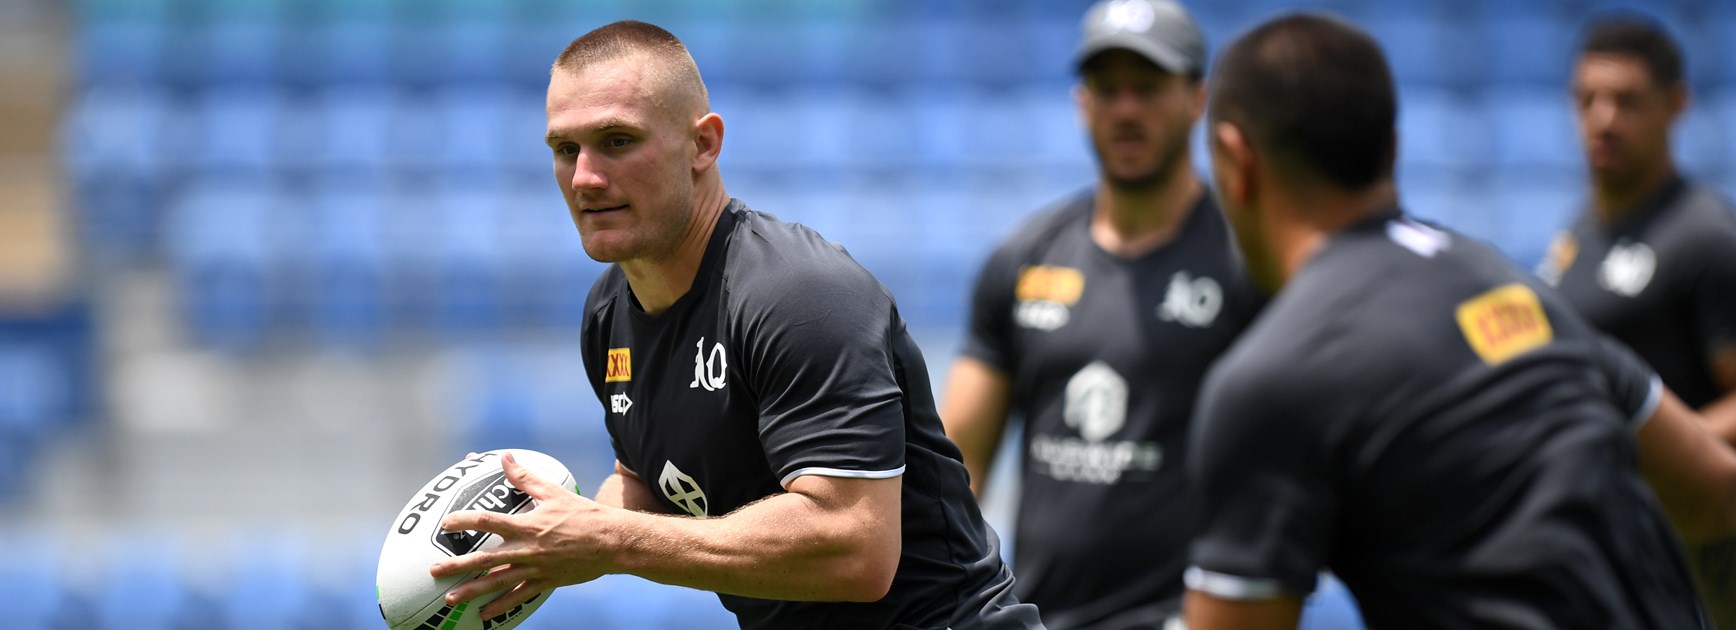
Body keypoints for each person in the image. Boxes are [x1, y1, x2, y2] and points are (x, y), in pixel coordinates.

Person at [426, 20, 1044, 630]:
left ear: (704, 144)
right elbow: (649, 484)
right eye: (566, 150)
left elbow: (856, 548)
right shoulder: (608, 313)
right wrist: (543, 533)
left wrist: (606, 538)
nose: (585, 177)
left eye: (617, 141)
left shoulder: (798, 294)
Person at [1182, 14, 1736, 629]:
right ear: (1392, 148)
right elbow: (1716, 494)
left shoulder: (1270, 378)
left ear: (1237, 160)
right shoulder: (1510, 286)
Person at [939, 0, 1260, 627]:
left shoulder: (1247, 262)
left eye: (1148, 88)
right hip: (1041, 616)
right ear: (1083, 103)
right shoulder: (1024, 258)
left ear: (1197, 99)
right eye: (1108, 89)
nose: (1126, 110)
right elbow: (957, 470)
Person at [1538, 15, 1736, 446]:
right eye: (1588, 100)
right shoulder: (1581, 227)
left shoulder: (1708, 238)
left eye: (1626, 101)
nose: (1604, 120)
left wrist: (1652, 457)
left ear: (1676, 104)